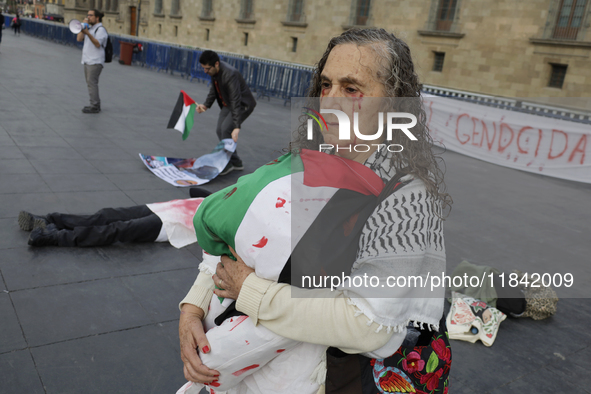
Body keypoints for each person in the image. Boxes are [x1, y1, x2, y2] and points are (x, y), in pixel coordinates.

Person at [178, 28, 453, 394]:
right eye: (326, 86)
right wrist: (193, 305)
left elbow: (367, 325)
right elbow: (240, 236)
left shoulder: (408, 198)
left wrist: (251, 291)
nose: (331, 102)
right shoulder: (308, 160)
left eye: (352, 89)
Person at [19, 189, 212, 248]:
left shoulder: (236, 217)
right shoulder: (229, 196)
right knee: (106, 214)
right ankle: (49, 220)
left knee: (120, 229)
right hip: (163, 208)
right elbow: (195, 191)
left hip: (172, 224)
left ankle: (56, 237)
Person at [196, 50, 256, 176]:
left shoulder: (230, 74)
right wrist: (206, 105)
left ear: (216, 64)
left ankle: (227, 162)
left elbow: (236, 100)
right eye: (203, 68)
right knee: (220, 130)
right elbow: (214, 90)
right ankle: (236, 162)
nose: (205, 71)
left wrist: (236, 126)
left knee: (226, 129)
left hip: (242, 105)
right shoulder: (215, 71)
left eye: (207, 69)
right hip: (228, 104)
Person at [77, 9, 108, 114]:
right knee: (90, 83)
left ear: (97, 18)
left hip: (95, 61)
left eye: (90, 15)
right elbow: (79, 39)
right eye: (88, 15)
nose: (88, 17)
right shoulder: (89, 28)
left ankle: (94, 105)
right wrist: (82, 29)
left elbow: (98, 43)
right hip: (87, 60)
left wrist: (88, 33)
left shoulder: (100, 30)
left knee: (92, 83)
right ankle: (94, 104)